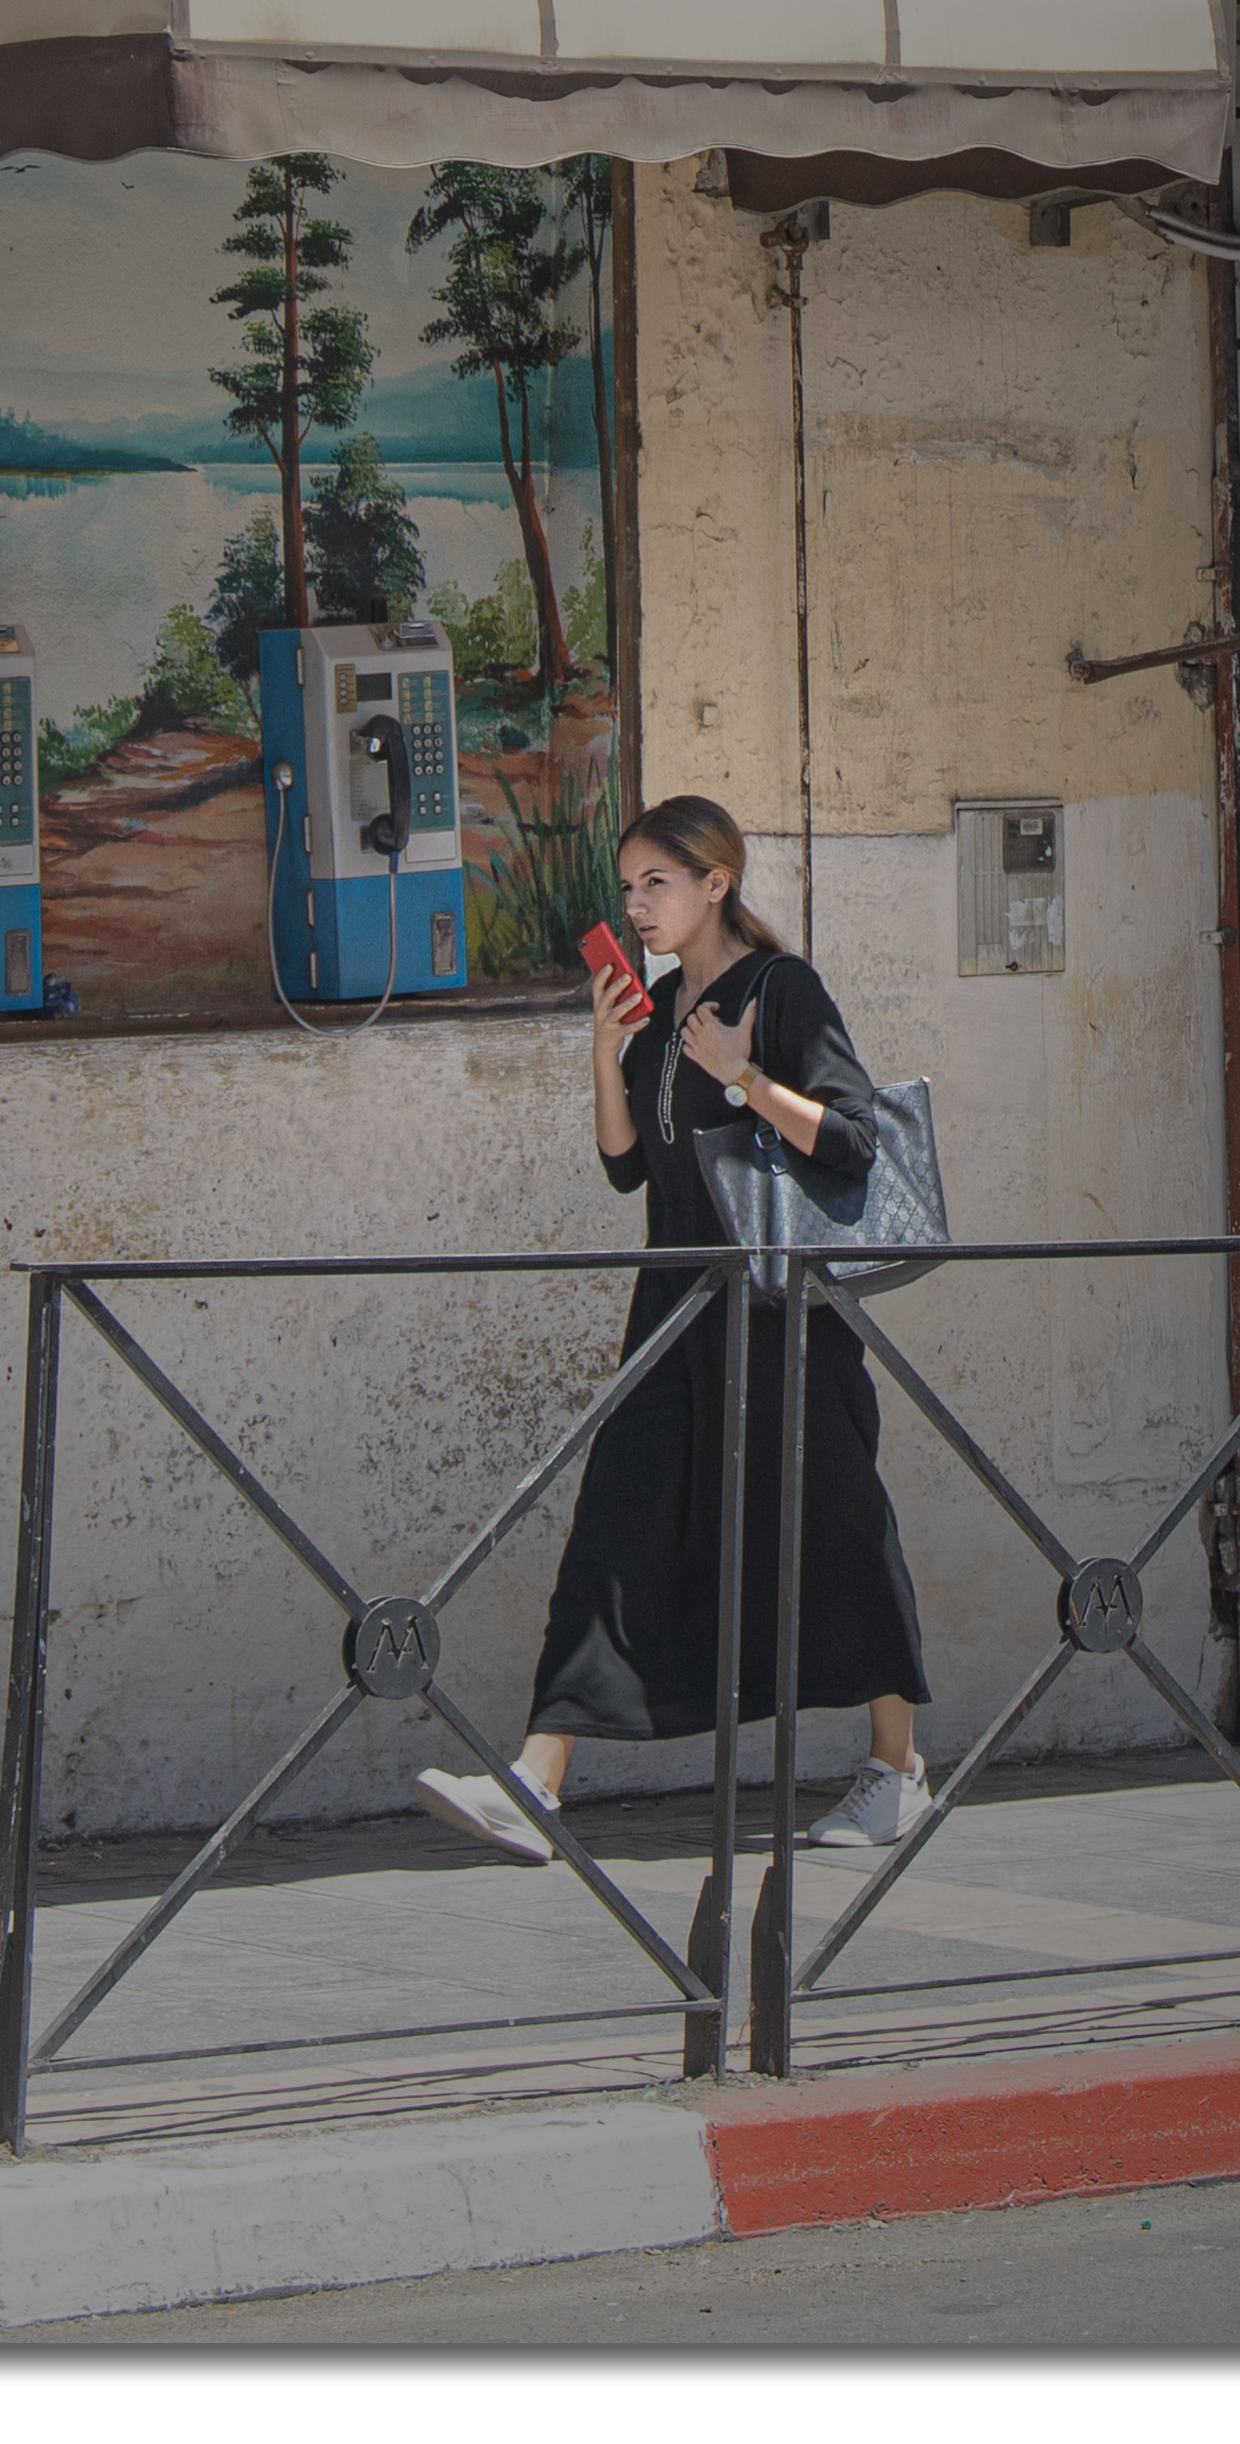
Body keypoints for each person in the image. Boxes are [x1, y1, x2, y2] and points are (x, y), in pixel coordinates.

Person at [414, 794, 932, 1866]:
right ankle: (536, 1781)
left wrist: (741, 1073)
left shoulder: (780, 991)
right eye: (627, 886)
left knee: (834, 1528)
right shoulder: (656, 1000)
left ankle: (898, 1769)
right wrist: (609, 1048)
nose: (636, 904)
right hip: (675, 1308)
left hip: (783, 1316)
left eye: (656, 881)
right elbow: (625, 1167)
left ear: (716, 883)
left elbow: (848, 1138)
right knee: (614, 1526)